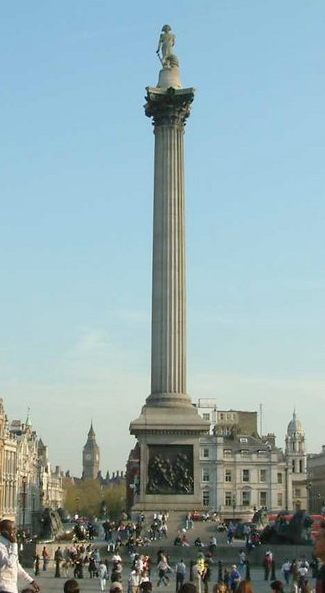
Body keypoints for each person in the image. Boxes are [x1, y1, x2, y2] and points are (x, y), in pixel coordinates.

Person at [0, 520, 40, 593]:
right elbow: (10, 563)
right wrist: (14, 544)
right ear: (4, 531)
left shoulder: (10, 543)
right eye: (13, 529)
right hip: (3, 587)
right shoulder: (1, 545)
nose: (16, 531)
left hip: (12, 588)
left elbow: (17, 567)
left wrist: (31, 581)